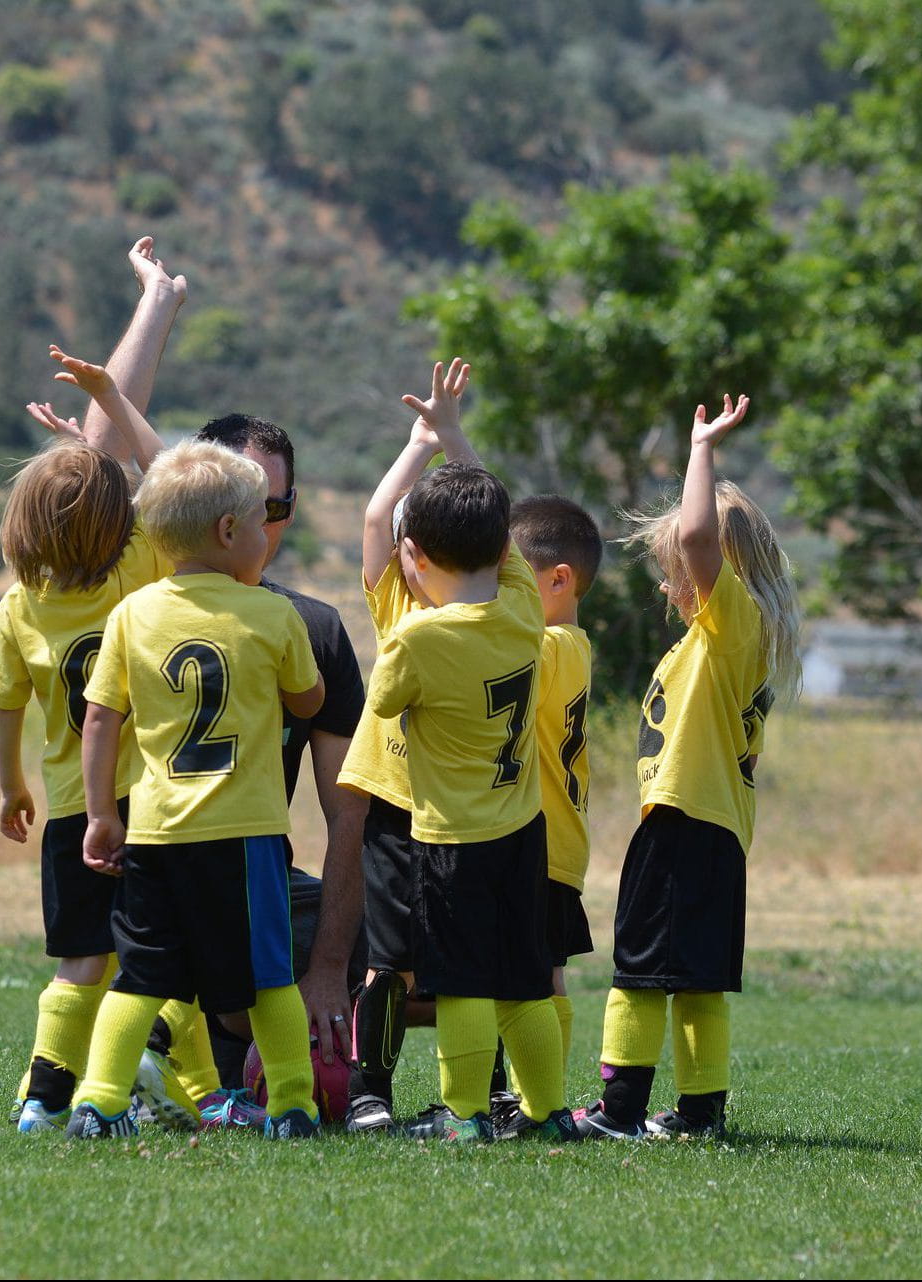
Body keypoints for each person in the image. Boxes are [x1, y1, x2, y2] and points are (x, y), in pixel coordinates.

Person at [67, 440, 327, 1139]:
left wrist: (99, 815)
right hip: (243, 836)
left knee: (142, 978)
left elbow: (99, 717)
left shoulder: (133, 614)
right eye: (261, 517)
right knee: (267, 976)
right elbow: (309, 702)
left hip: (155, 834)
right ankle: (293, 1105)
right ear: (229, 532)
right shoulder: (272, 615)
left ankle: (97, 1103)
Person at [358, 360, 575, 1143]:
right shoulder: (523, 609)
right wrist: (454, 437)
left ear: (412, 555)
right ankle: (548, 1114)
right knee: (522, 980)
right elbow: (494, 518)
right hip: (522, 833)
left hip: (450, 840)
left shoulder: (416, 636)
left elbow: (382, 704)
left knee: (459, 986)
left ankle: (461, 1116)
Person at [576, 394, 803, 1142]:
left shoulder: (729, 620)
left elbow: (702, 535)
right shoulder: (717, 640)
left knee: (636, 974)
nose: (670, 584)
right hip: (714, 832)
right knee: (699, 980)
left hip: (683, 823)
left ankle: (617, 1113)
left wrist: (699, 448)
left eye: (674, 569)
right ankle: (700, 1116)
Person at [0, 336, 178, 1134]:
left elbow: (4, 705)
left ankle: (41, 1098)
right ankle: (130, 1076)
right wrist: (120, 410)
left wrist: (10, 787)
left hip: (69, 809)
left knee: (79, 959)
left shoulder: (17, 607)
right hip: (151, 802)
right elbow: (174, 481)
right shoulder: (141, 565)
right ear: (121, 524)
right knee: (161, 954)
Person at [185, 414, 369, 1118]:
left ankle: (360, 1083)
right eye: (239, 501)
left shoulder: (312, 629)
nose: (257, 523)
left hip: (258, 876)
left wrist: (328, 970)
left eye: (276, 506)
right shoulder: (145, 608)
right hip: (160, 872)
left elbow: (345, 810)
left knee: (388, 909)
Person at [334, 360, 480, 1135]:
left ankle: (477, 1091)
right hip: (396, 809)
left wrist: (448, 442)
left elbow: (492, 524)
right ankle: (370, 1092)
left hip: (461, 813)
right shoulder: (397, 603)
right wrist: (424, 441)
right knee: (385, 961)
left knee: (464, 964)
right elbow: (374, 517)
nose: (400, 555)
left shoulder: (483, 613)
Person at [491, 495, 602, 1138]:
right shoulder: (571, 643)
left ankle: (544, 1104)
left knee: (539, 976)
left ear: (557, 580)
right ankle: (540, 1100)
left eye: (511, 575)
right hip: (556, 840)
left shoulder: (554, 646)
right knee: (542, 969)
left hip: (542, 840)